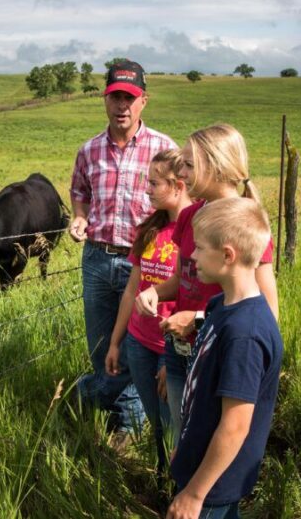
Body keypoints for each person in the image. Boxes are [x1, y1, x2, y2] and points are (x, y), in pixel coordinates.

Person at [135, 124, 278, 443]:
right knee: (182, 436)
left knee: (212, 437)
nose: (180, 174)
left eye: (188, 164)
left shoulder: (244, 223)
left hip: (222, 353)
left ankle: (199, 493)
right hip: (180, 349)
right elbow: (182, 279)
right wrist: (154, 292)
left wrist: (197, 322)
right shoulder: (189, 216)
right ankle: (181, 488)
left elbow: (266, 308)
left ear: (214, 166)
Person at [70, 59, 177, 435]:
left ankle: (126, 427)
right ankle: (97, 394)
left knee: (139, 347)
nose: (122, 106)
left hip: (147, 266)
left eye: (129, 98)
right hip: (98, 258)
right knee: (103, 346)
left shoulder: (165, 150)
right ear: (105, 100)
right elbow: (80, 194)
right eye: (115, 97)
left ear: (143, 101)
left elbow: (180, 206)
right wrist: (80, 218)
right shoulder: (89, 150)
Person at [166, 197, 283, 519]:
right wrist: (188, 447)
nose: (191, 255)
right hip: (205, 463)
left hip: (213, 485)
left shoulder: (245, 334)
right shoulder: (221, 306)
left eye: (200, 248)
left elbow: (234, 427)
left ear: (228, 255)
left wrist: (194, 494)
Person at [104, 148, 193, 472]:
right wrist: (116, 342)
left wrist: (177, 358)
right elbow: (133, 288)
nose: (147, 189)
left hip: (173, 349)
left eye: (154, 183)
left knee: (175, 426)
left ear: (178, 185)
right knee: (155, 422)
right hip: (139, 342)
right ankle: (160, 478)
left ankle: (177, 487)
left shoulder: (197, 232)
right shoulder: (149, 230)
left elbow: (197, 296)